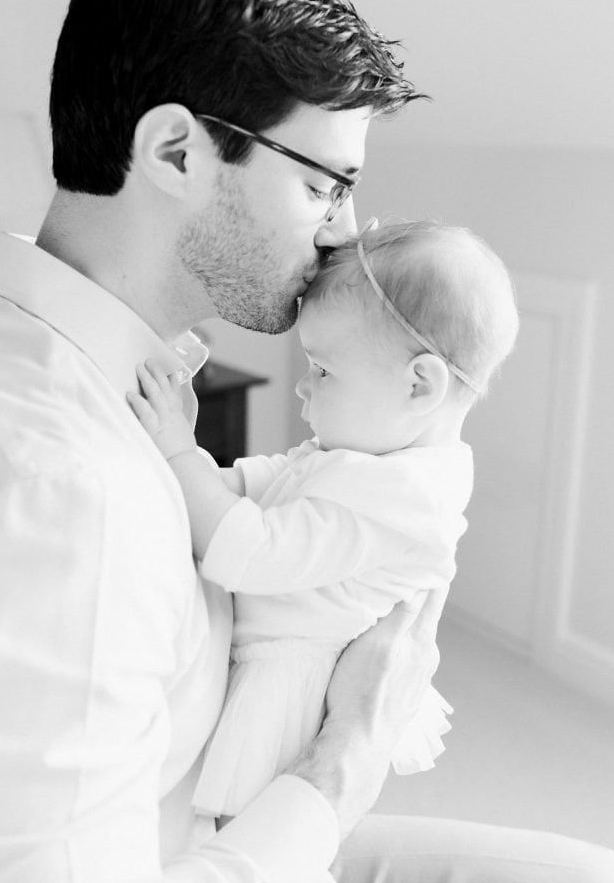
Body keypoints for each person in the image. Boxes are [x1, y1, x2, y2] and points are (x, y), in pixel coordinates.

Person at [0, 0, 614, 883]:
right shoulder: (61, 496)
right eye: (322, 182)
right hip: (191, 861)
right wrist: (339, 762)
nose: (346, 230)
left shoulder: (88, 364)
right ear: (176, 150)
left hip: (204, 809)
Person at [128, 220, 518, 820]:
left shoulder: (407, 498)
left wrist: (180, 454)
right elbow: (279, 480)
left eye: (324, 370)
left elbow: (250, 554)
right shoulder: (371, 457)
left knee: (248, 833)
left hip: (293, 694)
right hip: (263, 649)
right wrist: (208, 476)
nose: (302, 389)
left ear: (420, 385)